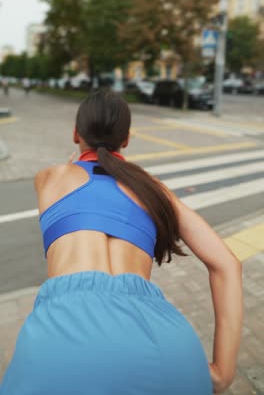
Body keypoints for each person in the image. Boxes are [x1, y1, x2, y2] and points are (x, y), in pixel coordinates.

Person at [0, 89, 243, 395]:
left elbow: (81, 172)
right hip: (168, 346)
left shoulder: (49, 178)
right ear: (126, 140)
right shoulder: (153, 190)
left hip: (63, 345)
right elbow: (227, 264)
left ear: (76, 134)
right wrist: (223, 371)